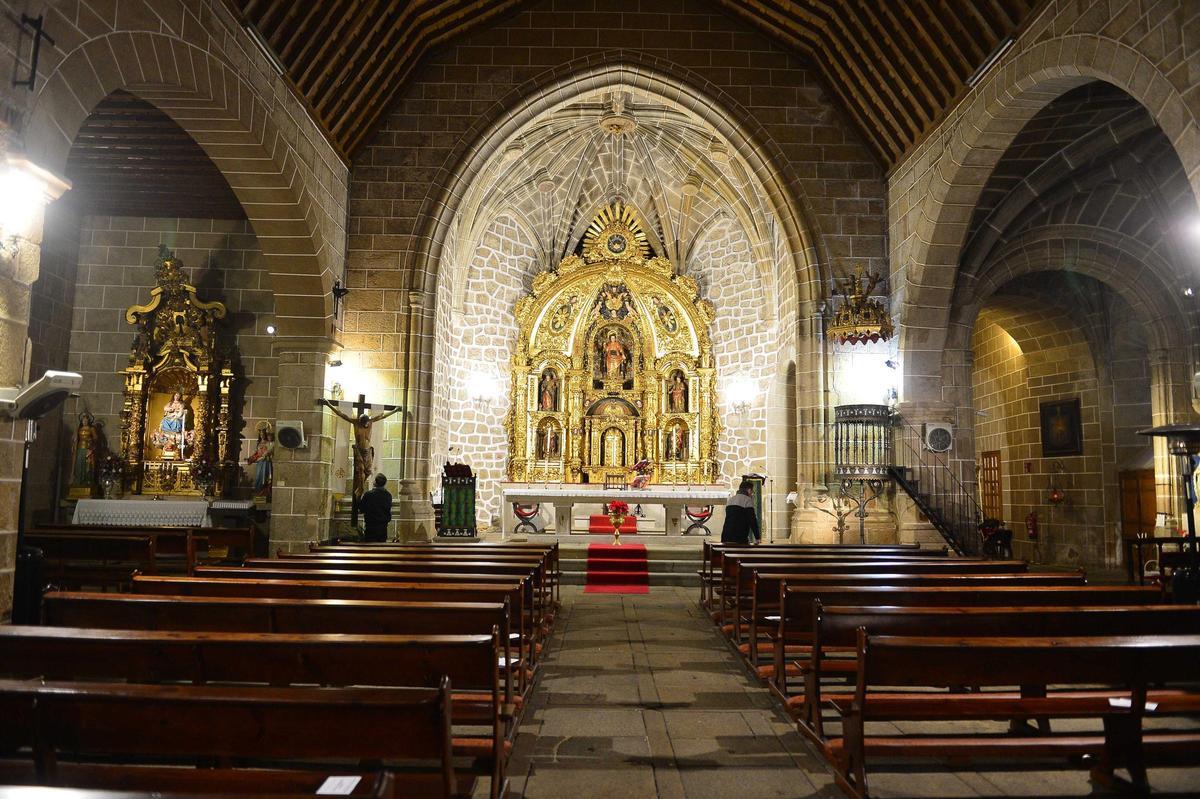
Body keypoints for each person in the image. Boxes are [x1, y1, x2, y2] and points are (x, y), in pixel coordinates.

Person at [721, 479, 760, 545]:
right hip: (739, 538)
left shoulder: (731, 499)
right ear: (749, 490)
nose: (752, 494)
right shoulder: (747, 500)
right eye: (752, 491)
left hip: (725, 536)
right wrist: (757, 537)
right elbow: (752, 520)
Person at [359, 473, 393, 542]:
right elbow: (387, 509)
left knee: (370, 548)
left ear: (375, 482)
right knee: (381, 548)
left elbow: (361, 509)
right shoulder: (388, 495)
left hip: (370, 527)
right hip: (382, 527)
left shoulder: (368, 494)